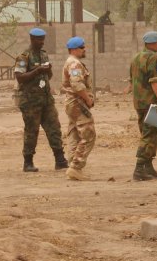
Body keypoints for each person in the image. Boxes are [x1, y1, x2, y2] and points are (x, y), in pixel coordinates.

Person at [14, 27, 68, 172]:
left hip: (46, 99)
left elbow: (47, 77)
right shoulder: (23, 57)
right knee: (32, 131)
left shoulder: (44, 55)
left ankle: (60, 159)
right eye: (39, 39)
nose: (42, 42)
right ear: (32, 39)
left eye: (43, 39)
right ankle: (28, 162)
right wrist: (37, 71)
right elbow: (19, 77)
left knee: (54, 128)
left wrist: (48, 70)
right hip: (31, 101)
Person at [129, 30, 157, 181]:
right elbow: (155, 81)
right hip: (150, 102)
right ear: (151, 43)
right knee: (149, 135)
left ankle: (148, 167)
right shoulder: (153, 58)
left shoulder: (136, 57)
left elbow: (131, 81)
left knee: (151, 134)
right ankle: (139, 168)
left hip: (139, 102)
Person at [61, 36, 96, 181]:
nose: (84, 49)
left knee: (74, 133)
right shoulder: (74, 64)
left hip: (72, 103)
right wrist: (87, 99)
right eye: (82, 47)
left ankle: (72, 165)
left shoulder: (72, 62)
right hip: (77, 103)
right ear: (74, 49)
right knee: (88, 134)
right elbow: (76, 85)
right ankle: (76, 166)